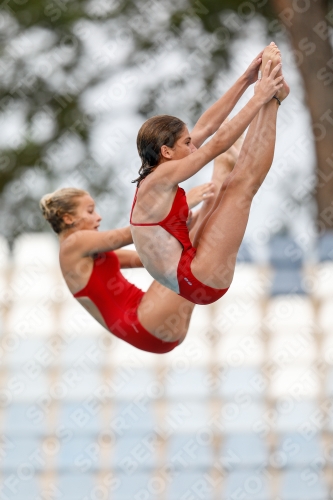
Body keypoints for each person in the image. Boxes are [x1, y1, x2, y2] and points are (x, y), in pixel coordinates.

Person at [130, 43, 290, 305]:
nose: (193, 147)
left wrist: (246, 79)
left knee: (229, 187)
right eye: (187, 143)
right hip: (199, 279)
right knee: (240, 187)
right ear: (166, 151)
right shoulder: (160, 178)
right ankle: (273, 98)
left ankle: (273, 96)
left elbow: (207, 126)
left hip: (189, 268)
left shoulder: (159, 170)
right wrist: (259, 96)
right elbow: (217, 144)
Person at [39, 181, 216, 353]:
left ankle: (221, 184)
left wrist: (185, 221)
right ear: (68, 218)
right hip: (142, 322)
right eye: (90, 211)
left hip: (153, 329)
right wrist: (181, 206)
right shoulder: (72, 243)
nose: (98, 217)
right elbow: (131, 233)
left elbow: (151, 257)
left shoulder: (88, 256)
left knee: (191, 244)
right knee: (184, 254)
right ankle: (222, 175)